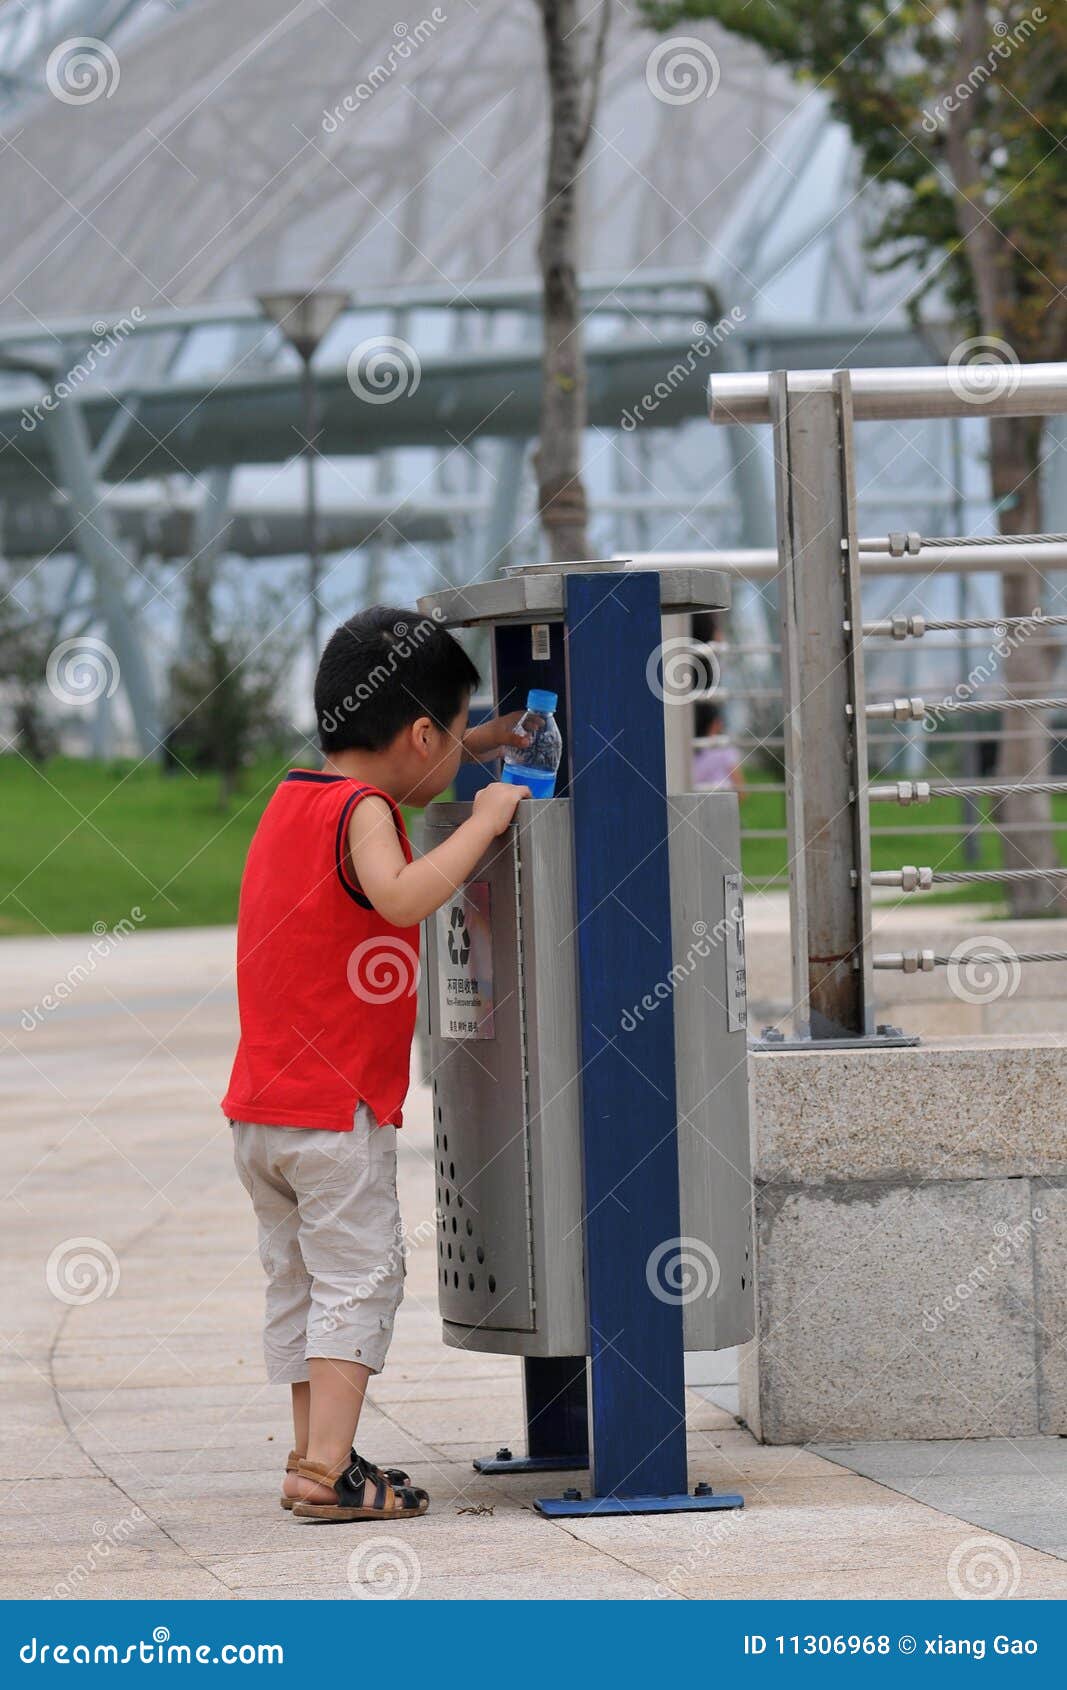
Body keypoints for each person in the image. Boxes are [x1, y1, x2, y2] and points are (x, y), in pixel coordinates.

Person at [221, 606, 530, 1523]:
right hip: (333, 1112)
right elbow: (399, 898)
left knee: (303, 1285)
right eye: (454, 730)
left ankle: (318, 1456)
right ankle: (325, 1478)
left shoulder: (296, 796)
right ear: (420, 732)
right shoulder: (368, 813)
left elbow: (412, 757)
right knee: (360, 1278)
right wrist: (487, 816)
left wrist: (479, 739)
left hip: (262, 1114)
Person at [692, 702, 745, 795]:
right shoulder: (725, 750)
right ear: (715, 723)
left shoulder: (690, 750)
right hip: (722, 803)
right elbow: (741, 791)